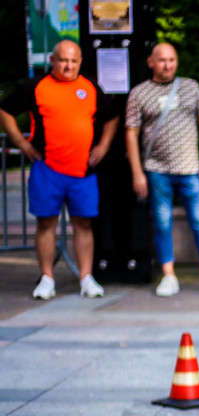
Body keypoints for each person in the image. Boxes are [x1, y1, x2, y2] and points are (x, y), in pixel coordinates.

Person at [0, 40, 118, 300]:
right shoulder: (36, 86)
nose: (68, 66)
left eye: (74, 61)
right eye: (63, 60)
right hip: (47, 168)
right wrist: (21, 143)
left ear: (80, 63)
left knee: (84, 224)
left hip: (82, 171)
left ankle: (86, 277)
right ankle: (46, 278)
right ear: (52, 61)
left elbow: (111, 116)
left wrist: (103, 146)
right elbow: (6, 110)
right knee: (45, 223)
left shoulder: (89, 87)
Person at [125, 43, 199, 297]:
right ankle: (168, 276)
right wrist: (137, 172)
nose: (168, 65)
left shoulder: (191, 87)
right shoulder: (139, 93)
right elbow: (130, 135)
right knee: (162, 224)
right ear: (151, 62)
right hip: (157, 170)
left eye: (172, 60)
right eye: (162, 60)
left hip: (190, 170)